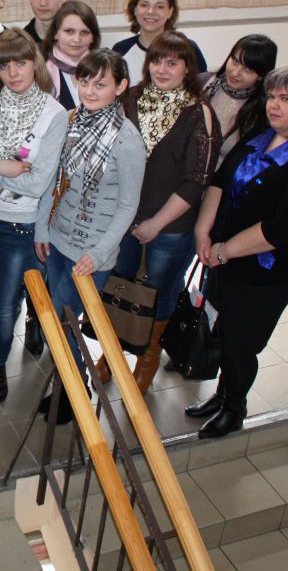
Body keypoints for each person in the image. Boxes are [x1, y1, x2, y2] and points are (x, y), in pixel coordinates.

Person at [189, 67, 288, 438]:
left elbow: (278, 230)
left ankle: (234, 407)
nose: (274, 105)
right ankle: (221, 396)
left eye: (285, 99)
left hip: (266, 272)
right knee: (222, 331)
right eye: (271, 96)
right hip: (224, 259)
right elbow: (221, 180)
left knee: (241, 344)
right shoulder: (260, 135)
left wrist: (223, 250)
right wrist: (203, 231)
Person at [34, 49, 145, 423]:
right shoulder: (71, 121)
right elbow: (53, 180)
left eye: (101, 84)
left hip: (92, 254)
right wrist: (42, 227)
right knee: (59, 323)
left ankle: (73, 391)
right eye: (84, 82)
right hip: (58, 239)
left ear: (121, 87)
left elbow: (128, 206)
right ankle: (70, 385)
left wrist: (98, 254)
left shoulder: (127, 140)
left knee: (62, 324)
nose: (90, 91)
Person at [112, 32, 219, 395]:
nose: (162, 69)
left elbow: (197, 180)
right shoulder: (131, 98)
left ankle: (148, 357)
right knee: (121, 283)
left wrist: (156, 223)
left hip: (172, 226)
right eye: (157, 60)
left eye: (172, 62)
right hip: (125, 218)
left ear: (188, 68)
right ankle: (114, 351)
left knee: (159, 292)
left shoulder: (199, 113)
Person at [0, 31, 67, 400]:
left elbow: (39, 184)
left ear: (34, 63)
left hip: (19, 224)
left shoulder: (54, 114)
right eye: (5, 66)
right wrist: (5, 166)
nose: (13, 73)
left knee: (5, 303)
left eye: (20, 63)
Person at [111, 0, 208, 86]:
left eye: (160, 6)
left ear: (170, 11)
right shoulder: (121, 50)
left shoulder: (188, 48)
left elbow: (201, 89)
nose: (151, 11)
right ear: (134, 9)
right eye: (144, 5)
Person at [201, 35, 278, 168]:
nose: (235, 73)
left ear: (261, 75)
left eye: (248, 70)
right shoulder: (203, 83)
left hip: (221, 179)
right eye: (235, 61)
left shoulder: (263, 112)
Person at [43, 0, 101, 111]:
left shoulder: (104, 70)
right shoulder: (40, 70)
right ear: (56, 33)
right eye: (69, 31)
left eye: (84, 32)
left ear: (93, 37)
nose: (77, 39)